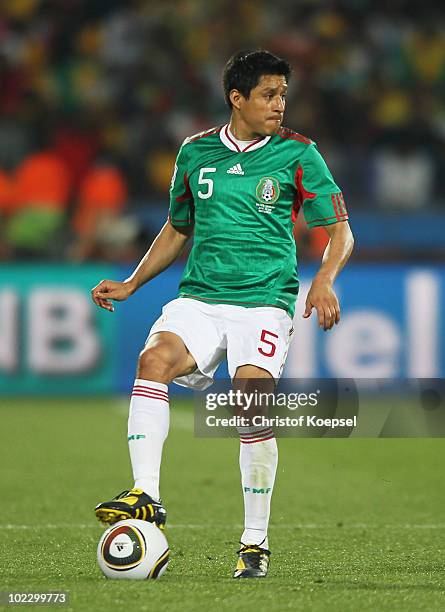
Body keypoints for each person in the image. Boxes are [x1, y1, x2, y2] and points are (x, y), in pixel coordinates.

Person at [91, 50, 354, 579]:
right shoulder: (195, 153)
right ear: (237, 97)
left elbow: (340, 231)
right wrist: (133, 282)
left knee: (250, 406)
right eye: (269, 95)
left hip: (263, 301)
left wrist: (324, 279)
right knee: (153, 361)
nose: (280, 104)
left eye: (283, 95)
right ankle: (146, 494)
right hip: (200, 297)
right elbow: (177, 229)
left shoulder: (299, 154)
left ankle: (254, 542)